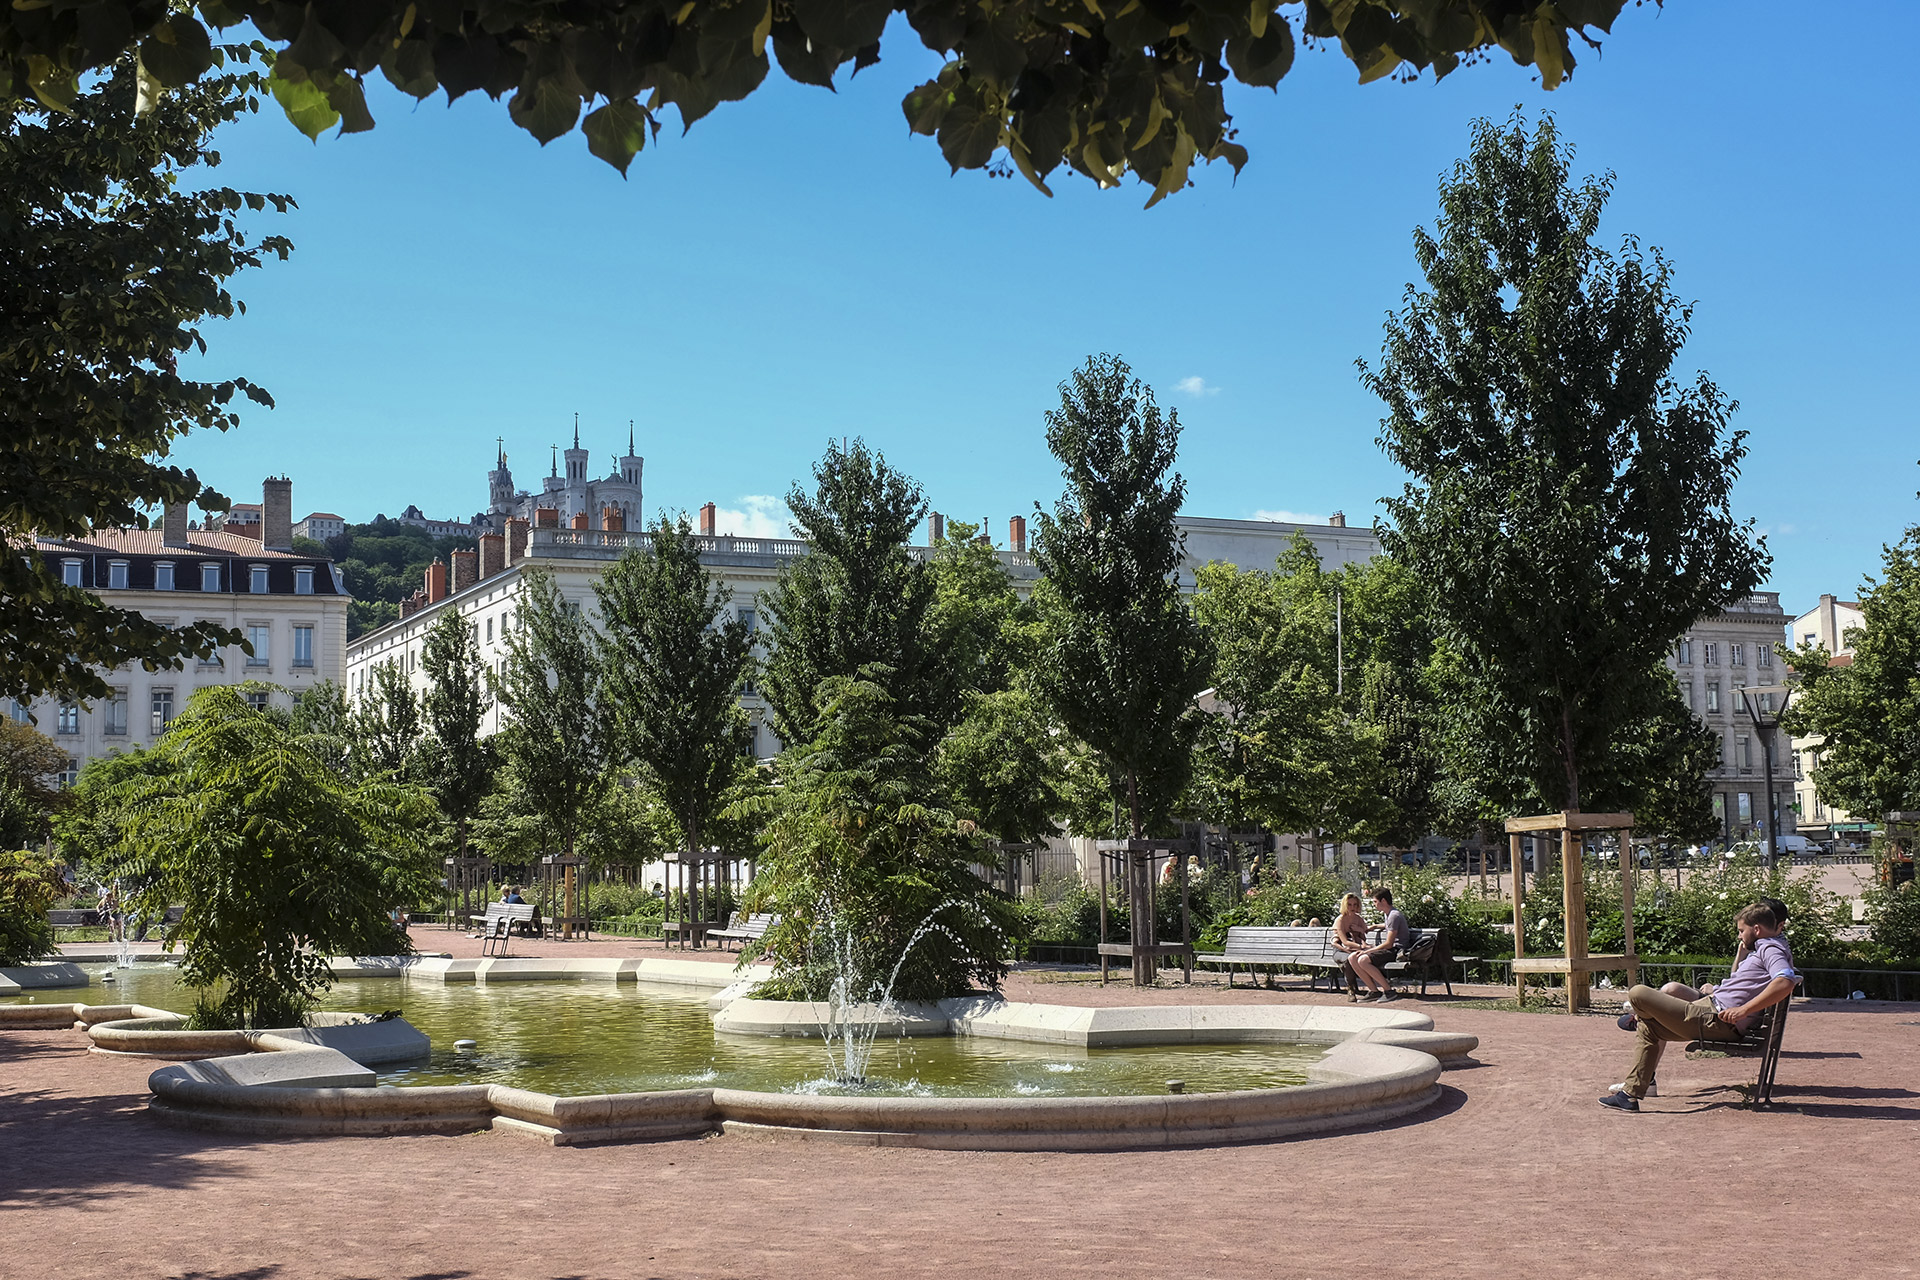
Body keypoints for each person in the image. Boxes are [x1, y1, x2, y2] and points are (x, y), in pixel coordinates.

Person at [1599, 902, 1797, 1112]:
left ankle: (1639, 1016)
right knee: (1649, 1028)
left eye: (1741, 931)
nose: (1739, 936)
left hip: (1715, 1018)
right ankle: (1629, 1095)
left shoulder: (1770, 948)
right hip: (1711, 1011)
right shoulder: (1767, 947)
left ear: (1756, 929)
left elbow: (1785, 980)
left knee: (1637, 993)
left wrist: (1743, 1010)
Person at [1350, 887, 1411, 1002]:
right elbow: (1388, 925)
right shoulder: (1388, 914)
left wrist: (1368, 951)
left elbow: (1389, 944)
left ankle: (1389, 991)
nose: (1374, 904)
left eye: (1375, 901)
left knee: (1363, 960)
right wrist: (1374, 926)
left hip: (1397, 950)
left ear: (1383, 901)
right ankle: (1374, 991)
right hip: (1390, 948)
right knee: (1352, 957)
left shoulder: (1394, 915)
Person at [1329, 893, 1370, 1001]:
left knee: (1367, 957)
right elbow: (1345, 942)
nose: (1352, 907)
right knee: (1348, 959)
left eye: (1355, 905)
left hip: (1355, 948)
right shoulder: (1340, 920)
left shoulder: (1358, 919)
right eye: (1349, 905)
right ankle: (1350, 988)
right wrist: (1360, 947)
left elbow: (1363, 936)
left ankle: (1374, 988)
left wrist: (1360, 931)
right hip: (1340, 949)